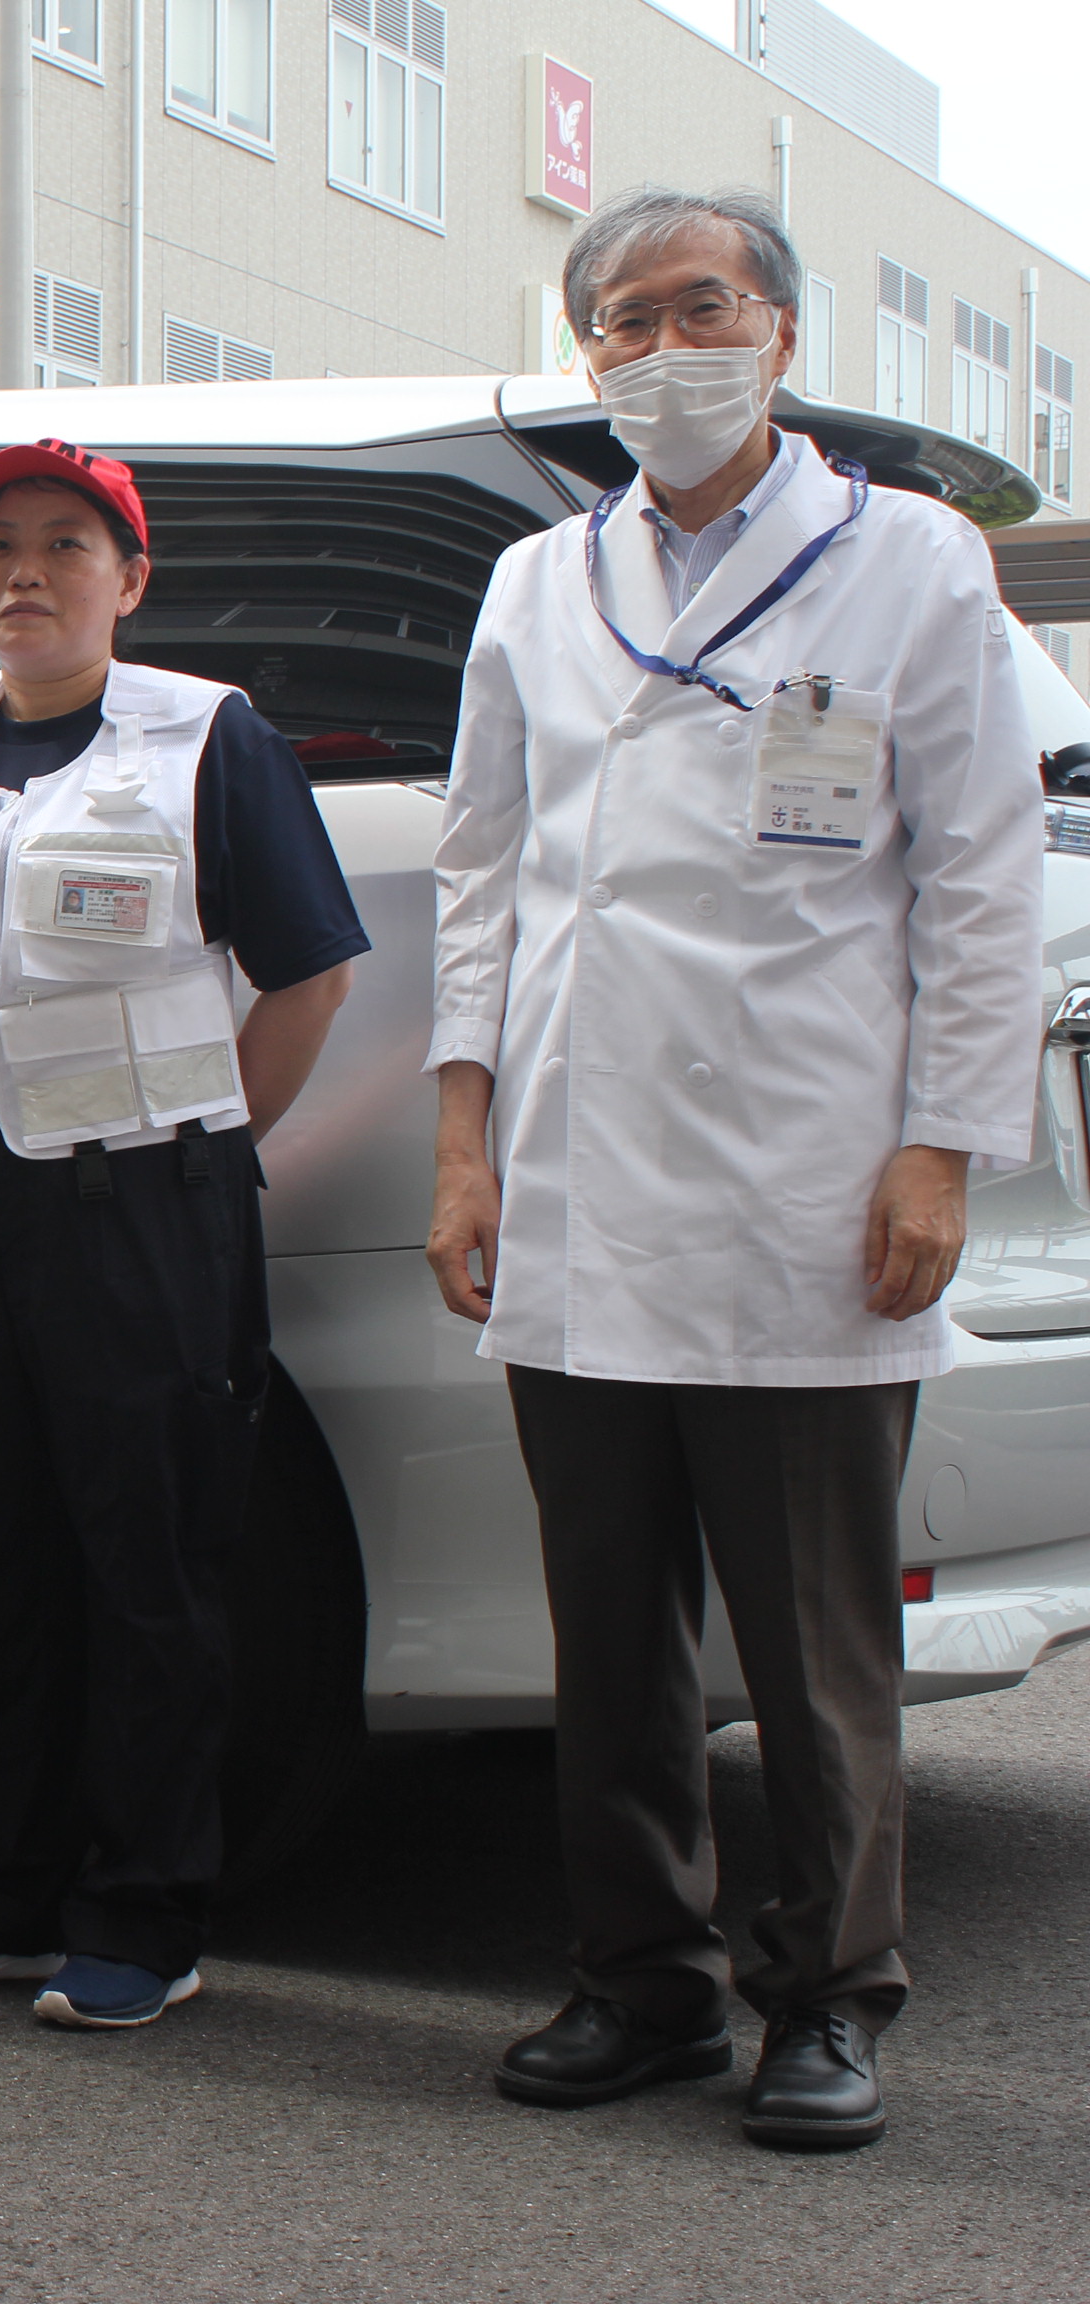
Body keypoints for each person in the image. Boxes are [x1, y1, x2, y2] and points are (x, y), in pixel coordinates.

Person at [429, 186, 1039, 2149]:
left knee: (812, 1644)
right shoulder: (545, 583)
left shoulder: (912, 563)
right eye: (621, 320)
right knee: (608, 1638)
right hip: (582, 1183)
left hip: (804, 1180)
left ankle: (829, 1999)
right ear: (585, 350)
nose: (660, 346)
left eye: (699, 307)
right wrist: (463, 1143)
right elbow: (481, 874)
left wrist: (943, 1152)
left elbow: (984, 876)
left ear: (781, 327)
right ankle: (643, 1983)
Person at [0, 439, 364, 2029]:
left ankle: (141, 1913)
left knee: (147, 1567)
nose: (26, 572)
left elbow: (310, 975)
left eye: (68, 545)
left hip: (140, 1205)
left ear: (129, 582)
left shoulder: (207, 738)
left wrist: (197, 1152)